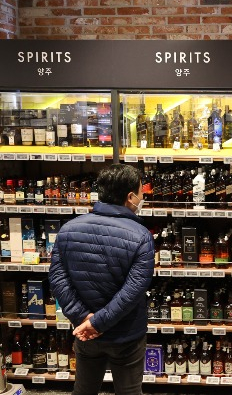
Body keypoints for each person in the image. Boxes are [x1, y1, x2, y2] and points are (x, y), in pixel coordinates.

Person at [49, 164, 154, 395]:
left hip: (85, 332)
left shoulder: (68, 230)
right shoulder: (141, 236)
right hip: (126, 335)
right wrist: (98, 323)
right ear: (130, 197)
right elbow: (133, 291)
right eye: (141, 192)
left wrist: (84, 319)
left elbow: (57, 279)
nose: (143, 197)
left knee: (84, 390)